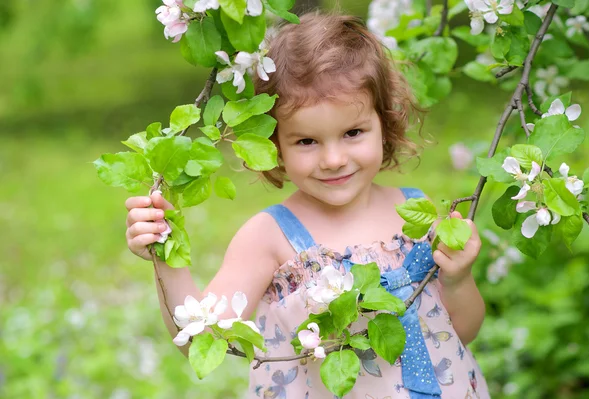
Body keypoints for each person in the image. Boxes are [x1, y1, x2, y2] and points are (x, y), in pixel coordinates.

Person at [124, 11, 490, 399]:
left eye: (352, 133)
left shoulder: (414, 213)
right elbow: (203, 338)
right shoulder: (269, 237)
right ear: (275, 145)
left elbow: (459, 333)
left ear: (384, 124)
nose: (333, 159)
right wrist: (165, 259)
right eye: (307, 141)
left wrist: (458, 279)